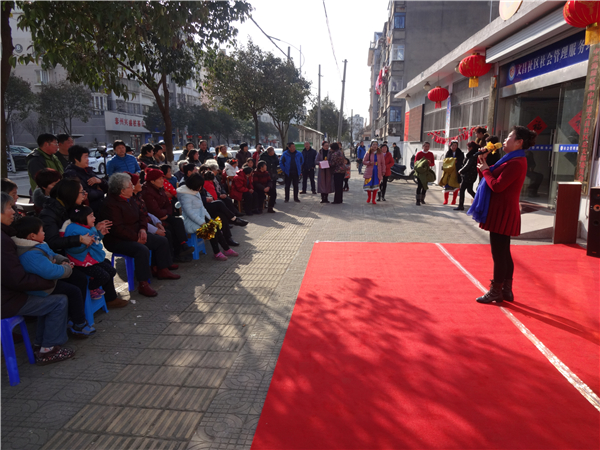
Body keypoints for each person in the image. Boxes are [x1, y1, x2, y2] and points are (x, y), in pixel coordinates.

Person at [1, 193, 75, 365]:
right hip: (7, 300)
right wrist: (47, 282)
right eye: (9, 208)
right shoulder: (2, 241)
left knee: (51, 299)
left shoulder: (6, 235)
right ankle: (49, 350)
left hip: (9, 294)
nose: (14, 212)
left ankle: (41, 344)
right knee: (58, 301)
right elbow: (16, 279)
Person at [469, 126, 534, 304]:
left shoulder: (516, 162)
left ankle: (496, 291)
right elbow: (488, 176)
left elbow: (497, 186)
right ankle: (506, 290)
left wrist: (485, 170)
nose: (504, 140)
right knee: (504, 253)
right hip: (501, 210)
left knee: (499, 254)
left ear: (519, 142)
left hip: (503, 212)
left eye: (509, 137)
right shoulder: (510, 159)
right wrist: (483, 162)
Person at [12, 216, 95, 337]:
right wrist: (66, 268)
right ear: (32, 236)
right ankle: (79, 324)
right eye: (42, 231)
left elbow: (53, 254)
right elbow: (50, 272)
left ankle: (73, 316)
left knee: (79, 278)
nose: (44, 233)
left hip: (50, 279)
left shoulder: (39, 244)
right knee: (74, 291)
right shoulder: (30, 254)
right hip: (43, 286)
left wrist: (63, 261)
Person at [102, 173, 180, 297]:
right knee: (141, 250)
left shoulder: (130, 199)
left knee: (161, 240)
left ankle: (162, 269)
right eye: (130, 186)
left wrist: (143, 229)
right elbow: (117, 229)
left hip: (136, 233)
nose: (133, 187)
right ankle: (143, 284)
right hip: (118, 240)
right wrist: (136, 238)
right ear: (122, 190)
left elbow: (142, 216)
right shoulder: (110, 204)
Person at [63, 206, 123, 302]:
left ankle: (94, 283)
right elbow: (71, 250)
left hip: (91, 259)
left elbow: (95, 241)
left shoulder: (88, 227)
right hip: (80, 262)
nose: (94, 218)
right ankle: (91, 287)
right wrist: (84, 245)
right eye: (91, 216)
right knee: (104, 276)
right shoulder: (73, 229)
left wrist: (100, 234)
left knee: (111, 271)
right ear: (82, 216)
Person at [177, 173, 238, 261]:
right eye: (199, 186)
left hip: (200, 217)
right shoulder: (185, 195)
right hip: (190, 222)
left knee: (215, 225)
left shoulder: (195, 192)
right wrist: (202, 223)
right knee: (211, 228)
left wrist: (209, 219)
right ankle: (217, 252)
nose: (200, 188)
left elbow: (202, 208)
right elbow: (189, 213)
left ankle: (226, 249)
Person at [141, 168, 194, 261]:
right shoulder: (147, 192)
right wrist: (165, 214)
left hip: (164, 215)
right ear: (152, 181)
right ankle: (177, 253)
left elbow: (168, 204)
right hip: (154, 218)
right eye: (160, 179)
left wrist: (166, 213)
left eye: (163, 178)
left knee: (178, 221)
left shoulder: (159, 188)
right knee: (170, 229)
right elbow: (154, 210)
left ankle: (182, 246)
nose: (163, 181)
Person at [63, 145, 108, 214]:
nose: (88, 159)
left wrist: (100, 181)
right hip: (85, 211)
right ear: (76, 159)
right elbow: (86, 194)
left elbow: (107, 188)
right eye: (85, 157)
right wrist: (101, 192)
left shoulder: (88, 171)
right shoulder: (71, 174)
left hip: (98, 207)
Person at [454, 141, 479, 211]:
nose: (467, 148)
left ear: (471, 147)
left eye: (468, 147)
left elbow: (468, 165)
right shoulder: (475, 154)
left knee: (462, 190)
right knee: (469, 190)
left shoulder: (472, 155)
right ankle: (479, 201)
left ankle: (461, 205)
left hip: (468, 176)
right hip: (472, 175)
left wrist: (460, 171)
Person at [363, 140, 386, 204]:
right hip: (369, 171)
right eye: (373, 144)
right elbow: (364, 161)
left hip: (377, 172)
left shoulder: (380, 153)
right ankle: (369, 197)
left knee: (376, 186)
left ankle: (373, 199)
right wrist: (369, 163)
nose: (375, 146)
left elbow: (383, 163)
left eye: (376, 145)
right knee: (368, 185)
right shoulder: (368, 153)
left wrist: (383, 171)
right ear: (371, 145)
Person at [442, 140, 464, 205]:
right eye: (453, 145)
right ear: (450, 146)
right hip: (449, 172)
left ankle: (454, 200)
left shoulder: (460, 153)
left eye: (455, 145)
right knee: (447, 186)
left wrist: (457, 161)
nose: (454, 147)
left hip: (456, 171)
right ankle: (446, 200)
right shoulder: (448, 153)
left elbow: (462, 161)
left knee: (456, 186)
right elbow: (445, 161)